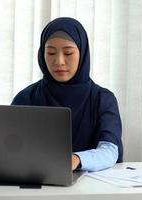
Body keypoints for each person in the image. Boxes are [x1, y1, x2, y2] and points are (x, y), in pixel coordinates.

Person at [11, 17, 123, 172]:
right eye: (50, 53)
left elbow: (110, 151)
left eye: (68, 53)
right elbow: (10, 148)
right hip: (37, 184)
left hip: (92, 188)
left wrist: (76, 159)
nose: (59, 61)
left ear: (82, 53)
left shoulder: (102, 99)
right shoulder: (26, 98)